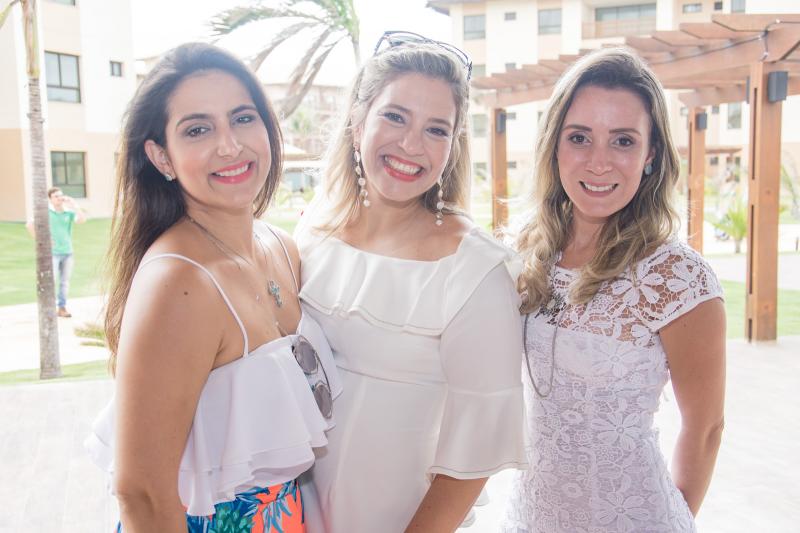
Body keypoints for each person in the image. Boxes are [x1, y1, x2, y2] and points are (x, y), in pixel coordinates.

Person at [84, 43, 340, 533]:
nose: (229, 145)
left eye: (243, 118)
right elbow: (142, 494)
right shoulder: (178, 282)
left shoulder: (282, 247)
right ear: (161, 156)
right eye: (197, 129)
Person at [295, 31, 527, 533]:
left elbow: (474, 455)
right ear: (358, 123)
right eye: (395, 117)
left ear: (452, 147)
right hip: (292, 513)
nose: (410, 145)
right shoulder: (313, 234)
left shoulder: (474, 271)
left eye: (436, 129)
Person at [501, 48, 726, 533]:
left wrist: (667, 521)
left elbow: (706, 429)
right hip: (532, 514)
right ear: (555, 147)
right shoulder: (527, 253)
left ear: (651, 155)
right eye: (579, 137)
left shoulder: (678, 278)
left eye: (623, 140)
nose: (599, 162)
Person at [26, 187, 86, 317]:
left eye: (60, 195)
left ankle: (62, 308)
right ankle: (48, 309)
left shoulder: (68, 212)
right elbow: (29, 225)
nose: (59, 198)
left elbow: (82, 220)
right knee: (50, 282)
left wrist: (74, 204)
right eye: (56, 196)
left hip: (68, 253)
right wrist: (42, 240)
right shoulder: (46, 212)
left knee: (64, 282)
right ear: (50, 199)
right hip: (52, 253)